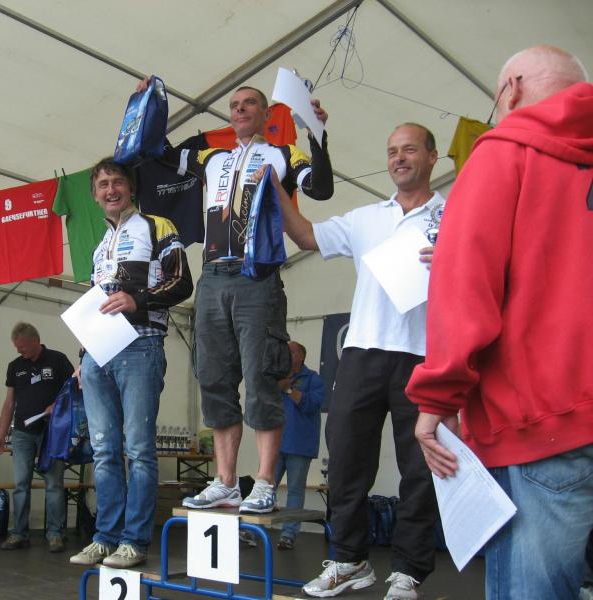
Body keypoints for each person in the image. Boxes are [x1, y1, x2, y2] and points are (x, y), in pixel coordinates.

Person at [405, 45, 593, 600]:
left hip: (542, 421)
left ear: (511, 90)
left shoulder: (506, 151)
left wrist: (436, 401)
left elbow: (466, 286)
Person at [271, 122, 442, 598]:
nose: (398, 158)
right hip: (362, 350)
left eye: (409, 149)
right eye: (392, 151)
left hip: (425, 353)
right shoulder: (367, 217)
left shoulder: (456, 215)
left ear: (433, 156)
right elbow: (306, 235)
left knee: (419, 468)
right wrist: (273, 189)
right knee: (345, 459)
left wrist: (456, 259)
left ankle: (409, 570)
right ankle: (349, 559)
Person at [148, 80, 336, 515]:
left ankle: (265, 481)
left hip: (257, 275)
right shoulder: (211, 157)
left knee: (262, 377)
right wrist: (151, 100)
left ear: (266, 113)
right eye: (234, 105)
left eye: (250, 103)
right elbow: (159, 152)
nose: (240, 109)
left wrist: (317, 135)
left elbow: (320, 188)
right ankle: (226, 481)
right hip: (213, 274)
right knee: (214, 378)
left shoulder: (285, 154)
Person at [69, 158, 193, 569]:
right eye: (103, 184)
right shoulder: (99, 246)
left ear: (131, 188)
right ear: (94, 195)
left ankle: (134, 542)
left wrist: (138, 299)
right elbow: (95, 305)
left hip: (142, 344)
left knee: (138, 449)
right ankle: (105, 538)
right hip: (98, 354)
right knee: (104, 450)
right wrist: (83, 356)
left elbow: (182, 281)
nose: (111, 190)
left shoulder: (157, 226)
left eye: (117, 182)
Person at [0, 322, 74, 552]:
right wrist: (1, 435)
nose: (20, 351)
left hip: (52, 432)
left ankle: (55, 534)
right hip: (22, 432)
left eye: (23, 347)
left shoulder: (58, 360)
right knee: (21, 483)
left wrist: (57, 405)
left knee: (54, 483)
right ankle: (19, 533)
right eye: (17, 347)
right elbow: (9, 403)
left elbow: (74, 389)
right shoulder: (15, 366)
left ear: (36, 341)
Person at [275, 341, 325, 550]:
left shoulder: (313, 378)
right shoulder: (276, 377)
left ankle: (288, 534)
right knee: (265, 487)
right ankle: (252, 529)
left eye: (291, 350)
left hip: (300, 444)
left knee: (295, 490)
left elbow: (313, 404)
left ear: (301, 356)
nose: (286, 353)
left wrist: (288, 389)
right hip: (275, 442)